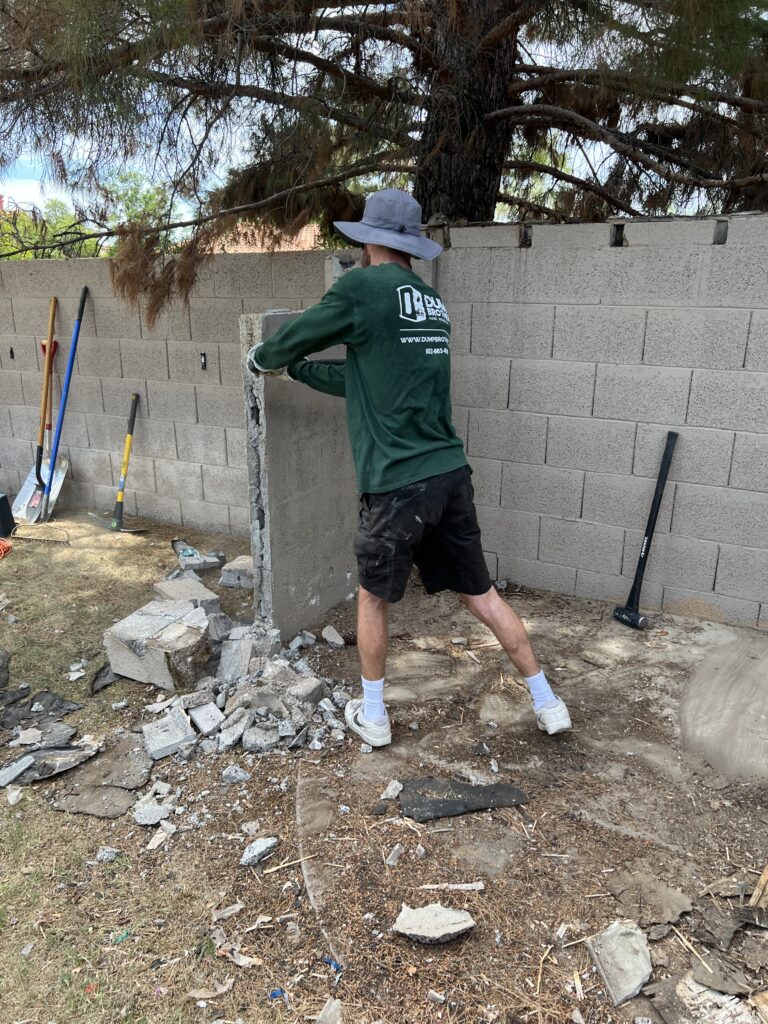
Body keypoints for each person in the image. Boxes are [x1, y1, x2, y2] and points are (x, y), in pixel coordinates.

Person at [246, 188, 571, 747]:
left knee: (372, 596)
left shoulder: (361, 287)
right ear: (410, 245)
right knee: (483, 596)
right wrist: (300, 374)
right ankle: (548, 701)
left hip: (398, 485)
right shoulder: (428, 303)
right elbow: (363, 380)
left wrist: (266, 359)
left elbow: (291, 339)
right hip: (450, 474)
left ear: (369, 240)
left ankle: (373, 716)